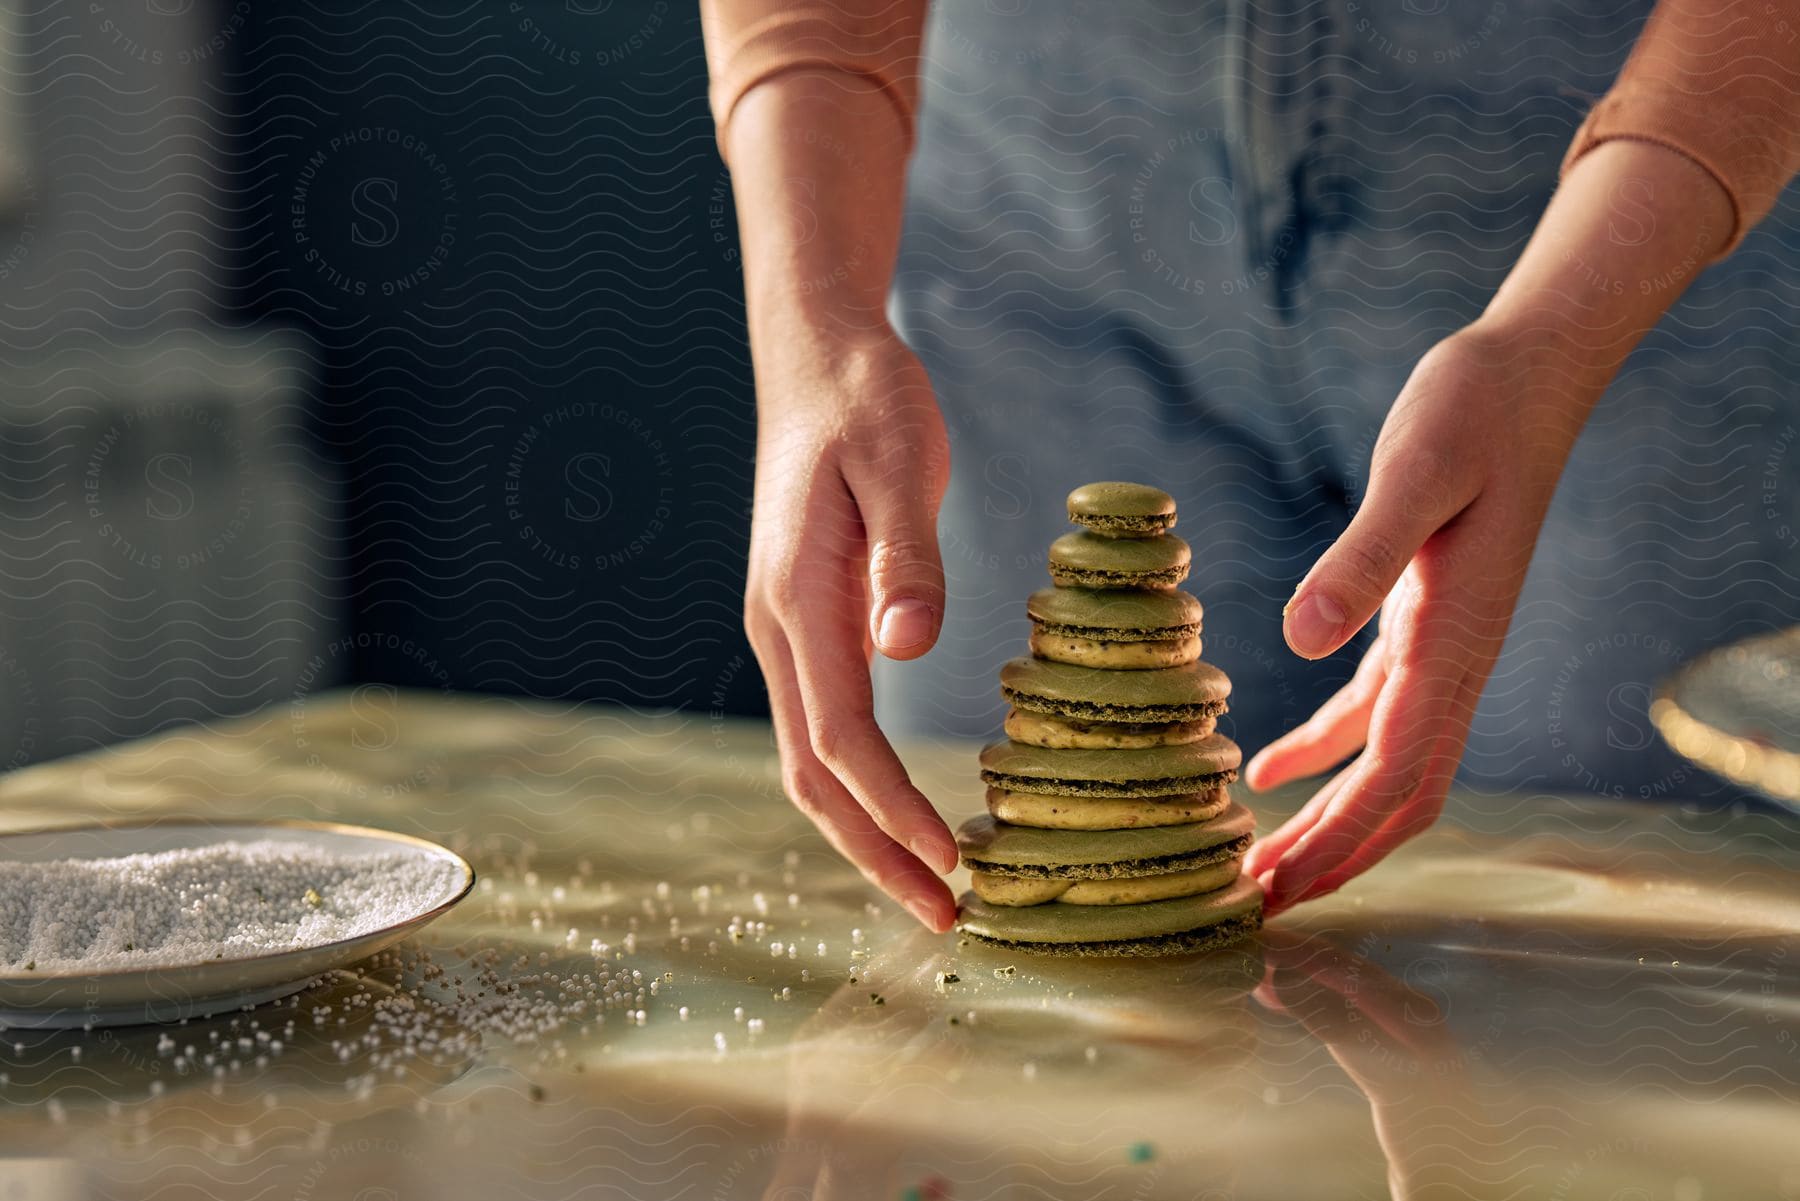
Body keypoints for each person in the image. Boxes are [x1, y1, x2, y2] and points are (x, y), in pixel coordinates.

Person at [700, 0, 1800, 930]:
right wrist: (815, 321)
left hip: (1625, 187)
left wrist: (1552, 346)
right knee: (1015, 971)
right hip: (1025, 177)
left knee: (1623, 941)